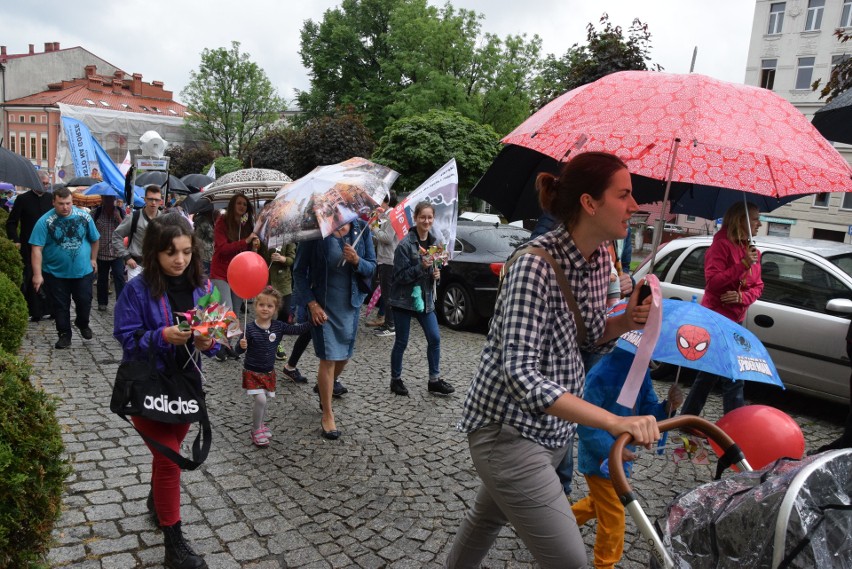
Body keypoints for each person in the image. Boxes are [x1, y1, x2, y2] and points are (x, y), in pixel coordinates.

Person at [444, 152, 659, 569]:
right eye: (625, 195)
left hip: (553, 431)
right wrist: (612, 421)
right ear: (590, 203)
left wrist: (625, 321)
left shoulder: (600, 260)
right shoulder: (532, 266)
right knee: (570, 562)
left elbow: (591, 334)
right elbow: (521, 375)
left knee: (486, 518)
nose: (635, 206)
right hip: (506, 432)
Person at [113, 212, 218, 569]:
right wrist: (161, 336)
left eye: (187, 252)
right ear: (154, 252)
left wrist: (209, 344)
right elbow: (126, 338)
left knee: (166, 456)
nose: (180, 260)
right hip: (147, 386)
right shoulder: (136, 289)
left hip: (186, 385)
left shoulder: (203, 287)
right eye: (171, 252)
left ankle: (156, 501)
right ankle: (174, 545)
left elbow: (215, 337)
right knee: (171, 458)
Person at [571, 349, 683, 569]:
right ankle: (605, 565)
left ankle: (559, 524)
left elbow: (647, 410)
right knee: (614, 514)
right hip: (599, 460)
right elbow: (585, 422)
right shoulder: (601, 373)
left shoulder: (640, 371)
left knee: (599, 503)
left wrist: (667, 406)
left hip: (619, 458)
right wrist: (612, 449)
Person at [293, 219, 376, 440]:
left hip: (350, 305)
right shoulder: (316, 231)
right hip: (323, 306)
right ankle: (327, 414)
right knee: (328, 358)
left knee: (344, 358)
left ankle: (324, 388)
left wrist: (357, 260)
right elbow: (299, 272)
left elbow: (372, 265)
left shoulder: (361, 228)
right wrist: (312, 304)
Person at [680, 201, 763, 418]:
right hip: (716, 318)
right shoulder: (721, 246)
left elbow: (758, 285)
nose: (760, 224)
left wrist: (742, 296)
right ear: (741, 220)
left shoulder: (753, 251)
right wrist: (742, 266)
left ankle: (688, 416)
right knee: (733, 375)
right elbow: (713, 283)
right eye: (755, 219)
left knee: (709, 372)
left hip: (736, 319)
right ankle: (736, 427)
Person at [388, 202, 453, 396]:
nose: (426, 221)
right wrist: (421, 268)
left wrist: (436, 275)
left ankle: (434, 380)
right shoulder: (405, 245)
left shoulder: (435, 244)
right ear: (415, 218)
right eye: (422, 217)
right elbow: (399, 277)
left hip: (425, 299)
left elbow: (436, 269)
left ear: (433, 219)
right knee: (402, 342)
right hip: (403, 300)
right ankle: (395, 379)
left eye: (430, 217)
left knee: (434, 338)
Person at [235, 286, 311, 447]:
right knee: (261, 400)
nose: (265, 309)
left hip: (268, 372)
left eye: (270, 306)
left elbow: (297, 329)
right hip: (252, 372)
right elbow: (237, 351)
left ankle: (261, 425)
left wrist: (313, 322)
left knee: (264, 400)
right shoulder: (249, 328)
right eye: (261, 305)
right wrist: (242, 345)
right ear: (255, 306)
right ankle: (255, 429)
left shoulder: (278, 326)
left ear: (275, 309)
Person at [29, 187, 100, 349]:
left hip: (83, 271)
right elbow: (36, 249)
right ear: (53, 202)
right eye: (61, 204)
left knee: (84, 301)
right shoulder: (44, 221)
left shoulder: (84, 217)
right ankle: (64, 334)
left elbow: (95, 239)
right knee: (60, 306)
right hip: (55, 273)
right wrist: (37, 274)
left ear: (72, 202)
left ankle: (83, 322)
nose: (65, 207)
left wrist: (94, 259)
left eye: (68, 203)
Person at [6, 169, 54, 321]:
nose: (45, 186)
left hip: (49, 246)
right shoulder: (23, 199)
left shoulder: (51, 198)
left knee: (49, 276)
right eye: (43, 183)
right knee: (31, 276)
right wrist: (16, 241)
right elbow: (11, 223)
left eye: (47, 184)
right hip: (28, 245)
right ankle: (34, 310)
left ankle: (50, 309)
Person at [209, 193, 259, 324]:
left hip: (238, 275)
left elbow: (246, 254)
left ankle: (227, 344)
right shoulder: (222, 222)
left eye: (245, 204)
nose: (242, 206)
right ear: (232, 205)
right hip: (220, 273)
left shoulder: (247, 225)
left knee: (235, 315)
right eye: (239, 203)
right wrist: (245, 241)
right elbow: (222, 249)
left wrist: (254, 247)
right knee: (227, 312)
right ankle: (218, 343)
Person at [113, 185, 163, 281]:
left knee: (154, 295)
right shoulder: (134, 217)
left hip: (156, 266)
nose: (153, 203)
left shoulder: (164, 219)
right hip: (136, 266)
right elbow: (116, 235)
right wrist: (127, 257)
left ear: (160, 201)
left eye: (156, 200)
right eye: (150, 199)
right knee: (136, 295)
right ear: (145, 199)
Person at [371, 191, 398, 336]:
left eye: (379, 200)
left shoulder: (391, 215)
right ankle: (387, 323)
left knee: (388, 294)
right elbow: (378, 238)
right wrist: (374, 227)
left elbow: (387, 238)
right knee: (386, 293)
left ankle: (391, 326)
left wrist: (374, 228)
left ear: (386, 201)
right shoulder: (384, 216)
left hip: (389, 260)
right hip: (383, 258)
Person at [92, 195, 126, 311]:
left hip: (117, 252)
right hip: (101, 252)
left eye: (111, 198)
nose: (109, 201)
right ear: (102, 199)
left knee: (119, 277)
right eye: (106, 198)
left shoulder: (121, 212)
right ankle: (102, 302)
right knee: (102, 279)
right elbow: (91, 230)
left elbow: (127, 230)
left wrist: (119, 219)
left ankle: (121, 302)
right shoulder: (96, 213)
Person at [267, 242, 297, 361]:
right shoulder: (264, 235)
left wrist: (282, 258)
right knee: (269, 315)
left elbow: (292, 259)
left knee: (285, 312)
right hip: (267, 279)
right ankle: (268, 343)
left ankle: (276, 340)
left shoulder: (288, 237)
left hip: (284, 282)